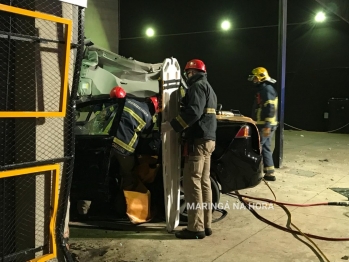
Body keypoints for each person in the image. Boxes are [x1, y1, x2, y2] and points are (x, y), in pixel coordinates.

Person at [161, 59, 217, 239]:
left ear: (191, 72)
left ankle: (195, 228)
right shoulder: (209, 87)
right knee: (204, 182)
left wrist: (172, 125)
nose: (187, 76)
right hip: (208, 140)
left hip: (198, 142)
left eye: (187, 73)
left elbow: (194, 112)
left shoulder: (197, 87)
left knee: (192, 182)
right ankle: (206, 225)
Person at [110, 86, 160, 191]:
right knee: (128, 174)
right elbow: (145, 136)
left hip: (109, 141)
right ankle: (124, 197)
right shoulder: (148, 119)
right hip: (124, 149)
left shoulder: (129, 101)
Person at [248, 67, 278, 181]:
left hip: (266, 125)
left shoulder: (266, 89)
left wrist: (267, 126)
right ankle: (270, 173)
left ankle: (252, 172)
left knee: (256, 147)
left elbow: (270, 108)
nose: (253, 80)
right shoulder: (264, 89)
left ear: (261, 77)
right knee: (265, 147)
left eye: (255, 77)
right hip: (265, 124)